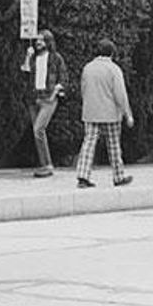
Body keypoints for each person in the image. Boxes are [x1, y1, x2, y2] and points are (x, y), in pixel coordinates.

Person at [75, 39, 134, 188]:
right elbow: (120, 94)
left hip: (91, 111)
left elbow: (83, 89)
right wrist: (128, 114)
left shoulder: (88, 68)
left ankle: (83, 175)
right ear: (112, 53)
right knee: (114, 146)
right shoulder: (114, 69)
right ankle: (118, 176)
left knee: (88, 143)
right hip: (111, 113)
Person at [20, 29, 68, 177]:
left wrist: (54, 94)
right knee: (38, 132)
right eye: (37, 40)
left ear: (48, 41)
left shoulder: (55, 58)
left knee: (38, 130)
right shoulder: (33, 57)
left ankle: (47, 165)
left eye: (41, 40)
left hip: (48, 98)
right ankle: (44, 164)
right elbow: (25, 72)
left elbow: (63, 78)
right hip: (34, 98)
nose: (38, 42)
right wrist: (27, 57)